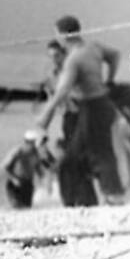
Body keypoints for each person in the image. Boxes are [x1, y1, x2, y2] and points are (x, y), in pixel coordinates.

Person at [35, 16, 124, 206]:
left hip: (92, 108)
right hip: (101, 105)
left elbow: (61, 91)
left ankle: (111, 196)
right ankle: (92, 199)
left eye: (56, 34)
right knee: (85, 154)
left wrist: (44, 116)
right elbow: (116, 55)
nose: (57, 38)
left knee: (95, 154)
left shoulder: (73, 59)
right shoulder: (94, 47)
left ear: (63, 34)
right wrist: (110, 80)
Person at [43, 39, 95, 206]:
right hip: (68, 117)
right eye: (51, 56)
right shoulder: (52, 75)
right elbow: (51, 100)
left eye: (57, 55)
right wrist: (43, 126)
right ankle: (71, 199)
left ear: (63, 54)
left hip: (83, 114)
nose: (54, 59)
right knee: (68, 159)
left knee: (80, 159)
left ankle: (85, 200)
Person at [0, 132, 56, 209]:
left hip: (28, 185)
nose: (34, 146)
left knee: (26, 208)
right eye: (32, 143)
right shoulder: (18, 151)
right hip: (15, 185)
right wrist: (14, 179)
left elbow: (39, 171)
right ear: (27, 142)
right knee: (17, 207)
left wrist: (46, 184)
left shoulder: (35, 154)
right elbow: (4, 167)